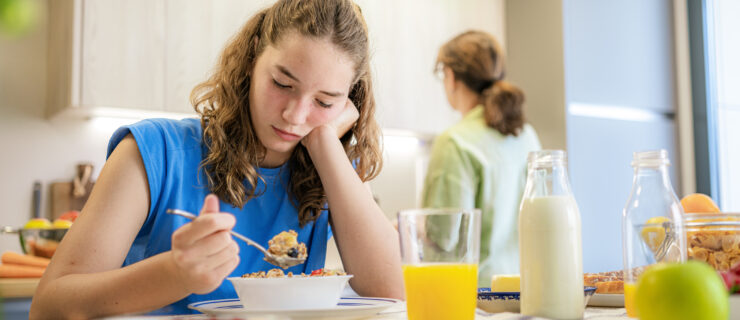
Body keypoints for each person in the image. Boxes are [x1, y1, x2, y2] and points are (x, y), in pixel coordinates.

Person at [30, 0, 403, 317]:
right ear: (255, 54)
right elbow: (48, 307)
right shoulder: (153, 151)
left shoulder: (331, 170)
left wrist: (325, 145)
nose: (296, 115)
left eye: (324, 101)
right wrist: (174, 274)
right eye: (283, 84)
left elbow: (394, 291)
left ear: (349, 99)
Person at [421, 30, 541, 287]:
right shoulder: (526, 135)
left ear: (451, 77)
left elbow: (443, 236)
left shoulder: (455, 142)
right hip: (528, 289)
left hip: (478, 297)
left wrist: (405, 226)